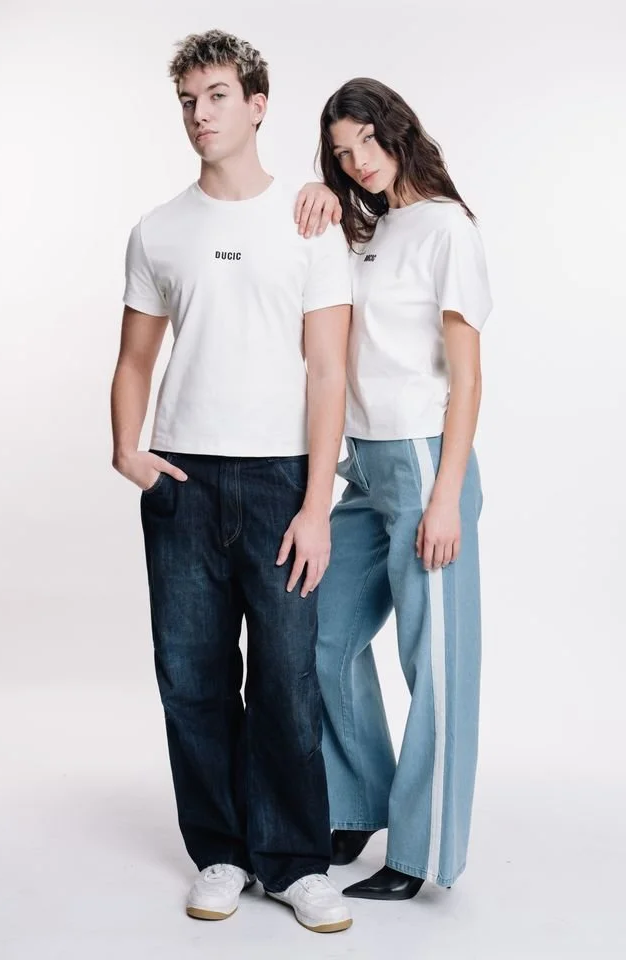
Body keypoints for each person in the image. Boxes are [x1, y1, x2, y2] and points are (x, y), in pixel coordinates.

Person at [110, 30, 353, 933]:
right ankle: (219, 851)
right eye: (187, 100)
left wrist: (317, 504)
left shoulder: (309, 225)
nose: (199, 115)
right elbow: (135, 359)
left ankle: (296, 863)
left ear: (257, 103)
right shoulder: (158, 229)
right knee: (192, 677)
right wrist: (126, 448)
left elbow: (326, 371)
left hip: (282, 477)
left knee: (288, 677)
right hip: (181, 479)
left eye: (216, 96)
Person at [296, 77, 493, 900]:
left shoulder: (447, 228)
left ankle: (419, 853)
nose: (357, 164)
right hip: (365, 470)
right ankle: (363, 799)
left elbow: (470, 375)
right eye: (341, 155)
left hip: (420, 465)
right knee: (321, 636)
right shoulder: (370, 233)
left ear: (396, 131)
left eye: (365, 145)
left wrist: (445, 495)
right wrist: (314, 194)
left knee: (436, 668)